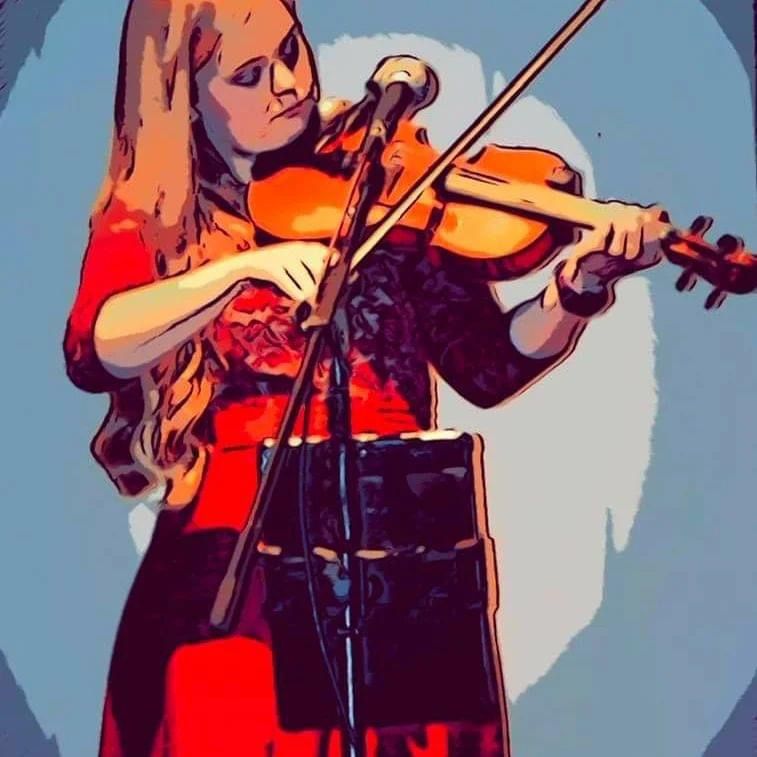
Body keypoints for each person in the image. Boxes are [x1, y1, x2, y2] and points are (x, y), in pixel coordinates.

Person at [63, 0, 670, 754]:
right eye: (248, 76)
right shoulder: (159, 217)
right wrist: (239, 271)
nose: (287, 84)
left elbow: (488, 363)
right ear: (185, 97)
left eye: (290, 51)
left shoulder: (380, 177)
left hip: (400, 543)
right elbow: (97, 344)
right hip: (239, 565)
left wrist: (577, 287)